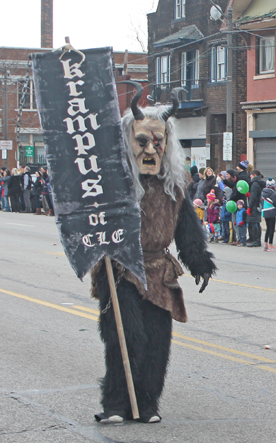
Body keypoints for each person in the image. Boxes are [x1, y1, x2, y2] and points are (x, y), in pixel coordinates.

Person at [91, 87, 216, 424]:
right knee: (126, 336)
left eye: (157, 142)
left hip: (159, 270)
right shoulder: (113, 186)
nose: (150, 149)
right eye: (142, 141)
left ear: (167, 144)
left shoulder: (173, 186)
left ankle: (146, 404)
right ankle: (116, 403)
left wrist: (199, 261)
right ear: (128, 143)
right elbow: (88, 223)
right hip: (119, 268)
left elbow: (186, 228)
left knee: (158, 343)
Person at [246, 169, 265, 247]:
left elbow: (253, 197)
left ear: (254, 175)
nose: (250, 176)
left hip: (254, 206)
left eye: (251, 175)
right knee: (256, 222)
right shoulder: (260, 183)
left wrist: (249, 207)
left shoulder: (254, 184)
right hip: (258, 205)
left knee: (254, 223)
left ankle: (256, 240)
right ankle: (255, 239)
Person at [260, 178, 276, 251]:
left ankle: (265, 245)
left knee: (268, 228)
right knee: (272, 229)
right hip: (271, 211)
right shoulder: (273, 193)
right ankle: (270, 245)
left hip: (264, 211)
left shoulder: (262, 192)